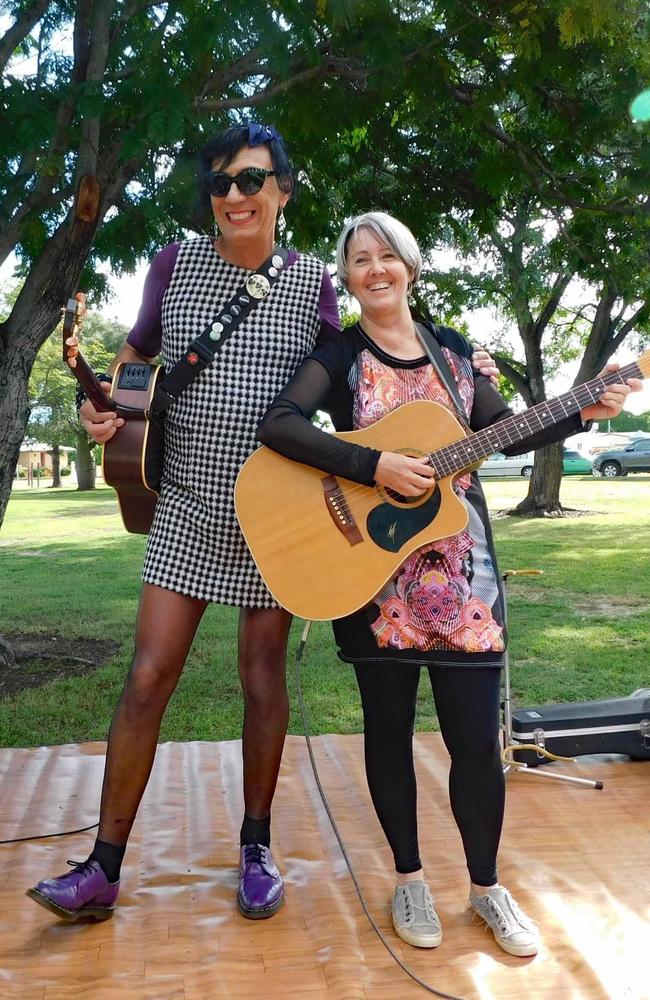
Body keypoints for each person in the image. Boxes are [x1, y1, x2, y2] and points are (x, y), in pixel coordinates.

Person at [26, 124, 501, 924]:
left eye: (251, 180)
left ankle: (256, 848)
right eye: (219, 184)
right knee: (147, 678)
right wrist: (110, 410)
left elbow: (355, 380)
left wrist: (467, 374)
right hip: (184, 506)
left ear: (282, 187)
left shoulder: (315, 283)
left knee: (261, 680)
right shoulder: (173, 266)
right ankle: (102, 867)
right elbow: (135, 358)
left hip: (277, 517)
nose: (235, 197)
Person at [256, 211, 640, 956]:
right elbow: (280, 425)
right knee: (390, 734)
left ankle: (488, 888)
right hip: (371, 572)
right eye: (359, 259)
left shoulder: (456, 353)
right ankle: (408, 879)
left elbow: (508, 430)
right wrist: (372, 467)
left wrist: (581, 411)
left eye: (387, 255)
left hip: (463, 576)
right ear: (349, 276)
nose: (374, 269)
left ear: (410, 265)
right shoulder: (339, 354)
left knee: (474, 741)